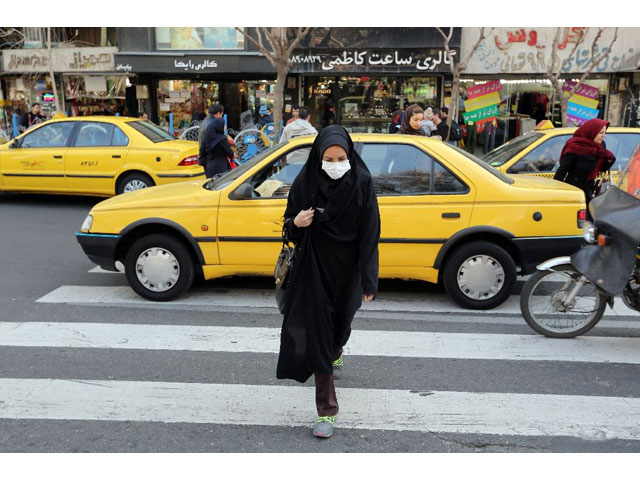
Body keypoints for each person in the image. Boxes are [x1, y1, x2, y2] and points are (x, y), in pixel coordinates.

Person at [277, 125, 380, 439]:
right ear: (318, 157)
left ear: (349, 155)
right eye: (329, 158)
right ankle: (327, 410)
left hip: (347, 270)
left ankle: (336, 349)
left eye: (341, 157)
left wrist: (368, 279)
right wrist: (296, 222)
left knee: (341, 326)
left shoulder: (362, 183)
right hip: (313, 268)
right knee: (319, 334)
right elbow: (287, 228)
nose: (336, 163)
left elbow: (369, 235)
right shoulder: (306, 183)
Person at [553, 118, 615, 207]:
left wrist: (609, 160)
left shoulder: (601, 146)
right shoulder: (575, 146)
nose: (604, 135)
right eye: (601, 133)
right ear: (592, 132)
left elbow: (601, 168)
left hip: (590, 192)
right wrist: (557, 193)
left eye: (605, 132)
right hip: (573, 192)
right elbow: (562, 170)